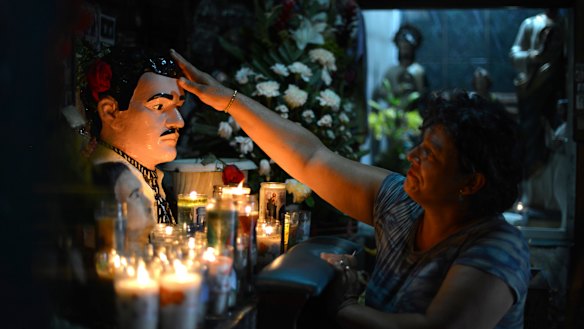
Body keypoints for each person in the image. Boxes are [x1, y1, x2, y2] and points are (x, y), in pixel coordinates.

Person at [171, 49, 530, 328]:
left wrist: (344, 305)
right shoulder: (402, 204)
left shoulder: (497, 248)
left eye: (431, 154)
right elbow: (311, 158)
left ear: (471, 182)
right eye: (419, 144)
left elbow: (432, 328)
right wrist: (228, 101)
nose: (411, 155)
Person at [80, 47, 186, 225]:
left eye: (178, 108)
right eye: (159, 106)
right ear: (110, 112)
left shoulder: (148, 176)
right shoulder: (109, 186)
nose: (178, 121)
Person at [509, 8, 565, 177]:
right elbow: (514, 54)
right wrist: (533, 56)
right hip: (532, 90)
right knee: (531, 136)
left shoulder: (566, 24)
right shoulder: (530, 24)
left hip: (558, 90)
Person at [373, 23, 428, 109]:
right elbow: (380, 93)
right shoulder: (391, 72)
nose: (404, 47)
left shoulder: (418, 72)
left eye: (407, 45)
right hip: (392, 117)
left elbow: (423, 97)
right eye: (402, 44)